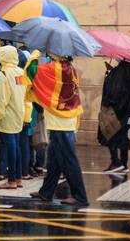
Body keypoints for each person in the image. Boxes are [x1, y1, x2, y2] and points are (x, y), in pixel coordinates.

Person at [29, 55, 89, 207]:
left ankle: (80, 196)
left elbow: (33, 71)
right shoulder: (69, 69)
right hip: (61, 120)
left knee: (69, 160)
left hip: (61, 122)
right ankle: (46, 192)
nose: (49, 54)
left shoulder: (58, 68)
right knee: (54, 160)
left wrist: (35, 55)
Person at [0, 44, 33, 190]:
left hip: (7, 116)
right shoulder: (21, 72)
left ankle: (12, 180)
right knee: (17, 146)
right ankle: (18, 178)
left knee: (11, 147)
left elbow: (0, 101)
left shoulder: (3, 75)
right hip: (19, 114)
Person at [99, 58, 130, 174]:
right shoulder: (129, 72)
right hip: (126, 111)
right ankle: (123, 163)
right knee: (124, 137)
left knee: (110, 135)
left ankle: (116, 162)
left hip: (116, 110)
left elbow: (115, 91)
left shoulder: (121, 71)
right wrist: (112, 71)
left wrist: (110, 75)